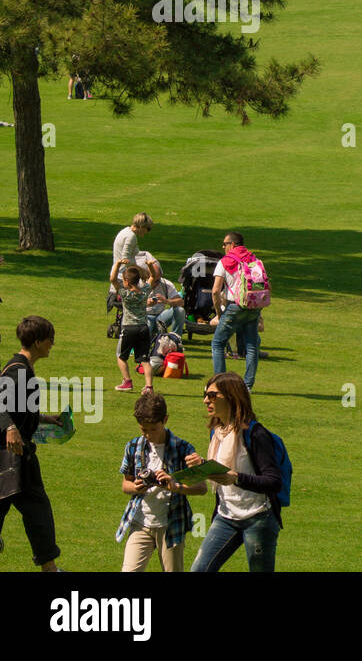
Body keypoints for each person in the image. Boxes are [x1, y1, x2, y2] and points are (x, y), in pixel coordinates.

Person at [186, 373, 283, 572]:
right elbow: (223, 468)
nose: (206, 400)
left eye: (212, 395)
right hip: (226, 516)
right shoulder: (217, 432)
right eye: (205, 394)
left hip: (258, 518)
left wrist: (236, 478)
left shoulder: (255, 434)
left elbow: (273, 481)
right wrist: (203, 464)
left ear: (231, 396)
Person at [0, 316, 64, 571]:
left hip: (19, 457)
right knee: (38, 512)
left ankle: (49, 568)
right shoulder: (18, 370)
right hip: (9, 458)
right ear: (37, 341)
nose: (52, 344)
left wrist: (47, 419)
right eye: (50, 339)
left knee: (38, 512)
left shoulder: (23, 368)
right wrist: (11, 427)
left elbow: (18, 409)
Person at [117, 391, 205, 572]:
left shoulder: (183, 449)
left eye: (153, 429)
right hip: (140, 522)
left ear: (165, 419)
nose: (148, 435)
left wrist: (175, 485)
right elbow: (125, 484)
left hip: (171, 525)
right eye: (143, 429)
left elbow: (201, 487)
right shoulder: (133, 447)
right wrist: (136, 487)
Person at [208, 232, 266, 389]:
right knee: (252, 346)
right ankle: (248, 386)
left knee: (218, 343)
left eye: (225, 243)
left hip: (234, 306)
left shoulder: (225, 262)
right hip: (253, 306)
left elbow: (215, 291)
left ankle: (220, 384)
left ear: (232, 245)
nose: (223, 246)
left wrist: (219, 314)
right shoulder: (254, 260)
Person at [110, 259, 155, 394]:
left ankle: (127, 381)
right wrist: (150, 266)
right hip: (143, 328)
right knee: (145, 359)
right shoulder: (145, 291)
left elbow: (112, 279)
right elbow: (153, 277)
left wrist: (117, 264)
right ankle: (149, 387)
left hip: (129, 328)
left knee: (121, 356)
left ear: (126, 282)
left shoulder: (125, 293)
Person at [111, 212, 153, 286]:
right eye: (147, 229)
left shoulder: (124, 231)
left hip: (118, 275)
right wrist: (141, 271)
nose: (147, 232)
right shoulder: (131, 237)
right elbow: (125, 260)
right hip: (123, 278)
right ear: (141, 226)